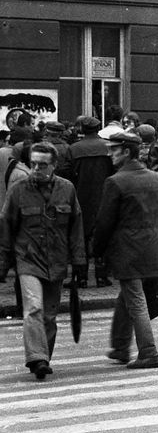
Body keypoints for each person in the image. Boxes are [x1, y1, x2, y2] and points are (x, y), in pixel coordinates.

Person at [0, 142, 87, 380]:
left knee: (49, 315)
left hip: (56, 260)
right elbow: (6, 226)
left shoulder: (67, 189)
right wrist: (3, 264)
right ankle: (37, 358)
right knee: (34, 307)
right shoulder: (18, 190)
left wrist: (79, 261)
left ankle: (43, 357)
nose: (36, 169)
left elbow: (76, 226)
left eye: (42, 165)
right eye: (33, 164)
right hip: (28, 259)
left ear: (54, 165)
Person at [91, 131, 158, 370]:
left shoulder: (115, 181)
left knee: (135, 299)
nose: (110, 154)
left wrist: (96, 250)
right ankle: (120, 346)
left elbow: (105, 222)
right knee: (128, 296)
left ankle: (148, 351)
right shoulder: (156, 178)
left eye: (114, 150)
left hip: (127, 249)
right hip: (151, 248)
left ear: (126, 152)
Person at [68, 116, 114, 287]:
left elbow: (68, 173)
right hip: (104, 196)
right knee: (102, 235)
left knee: (80, 237)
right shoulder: (107, 147)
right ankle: (102, 276)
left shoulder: (74, 149)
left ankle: (81, 277)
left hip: (81, 197)